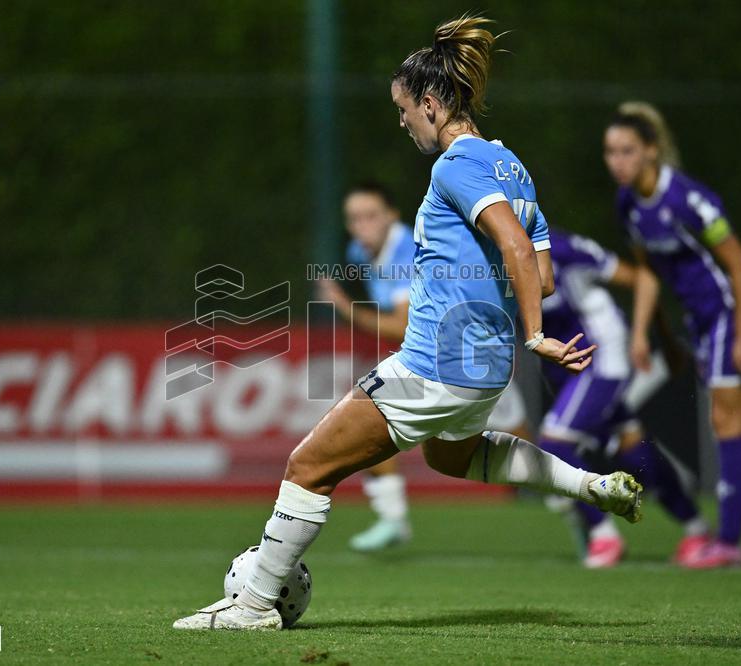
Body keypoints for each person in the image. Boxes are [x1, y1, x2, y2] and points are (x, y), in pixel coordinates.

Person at [174, 16, 641, 631]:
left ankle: (255, 603)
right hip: (485, 369)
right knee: (454, 459)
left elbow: (516, 251)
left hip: (437, 362)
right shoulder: (513, 166)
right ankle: (590, 487)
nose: (401, 122)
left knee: (307, 466)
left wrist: (534, 333)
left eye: (403, 109)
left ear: (430, 102)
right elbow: (544, 271)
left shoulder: (456, 164)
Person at [604, 101, 741, 569]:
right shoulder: (627, 205)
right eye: (611, 152)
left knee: (726, 420)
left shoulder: (687, 199)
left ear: (651, 152)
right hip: (702, 320)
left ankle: (730, 541)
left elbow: (739, 267)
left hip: (735, 309)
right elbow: (648, 274)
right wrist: (643, 333)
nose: (617, 161)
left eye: (627, 151)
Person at [318, 181, 534, 552]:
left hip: (468, 358)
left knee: (521, 445)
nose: (361, 226)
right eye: (353, 218)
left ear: (391, 216)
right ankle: (391, 519)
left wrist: (343, 308)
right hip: (438, 359)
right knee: (365, 409)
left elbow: (400, 323)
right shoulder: (360, 251)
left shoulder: (404, 252)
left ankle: (584, 512)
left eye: (370, 216)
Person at [538, 228, 708, 568]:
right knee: (633, 450)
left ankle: (604, 536)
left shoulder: (562, 248)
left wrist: (644, 335)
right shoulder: (493, 256)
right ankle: (698, 529)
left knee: (554, 444)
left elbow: (644, 279)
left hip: (600, 358)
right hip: (569, 366)